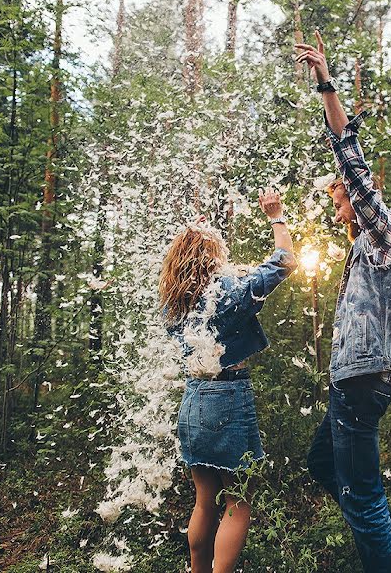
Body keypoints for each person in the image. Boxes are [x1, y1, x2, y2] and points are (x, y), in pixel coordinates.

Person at [296, 31, 391, 572]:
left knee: (363, 494)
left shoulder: (383, 231)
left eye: (339, 201)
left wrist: (325, 83)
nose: (338, 211)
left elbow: (348, 153)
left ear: (357, 197)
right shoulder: (388, 245)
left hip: (361, 378)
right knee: (322, 460)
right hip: (367, 376)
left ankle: (388, 550)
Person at [159, 190, 296, 573]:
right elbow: (284, 261)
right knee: (238, 500)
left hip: (193, 399)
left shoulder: (175, 303)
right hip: (228, 398)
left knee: (204, 501)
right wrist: (276, 217)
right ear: (211, 258)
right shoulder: (228, 294)